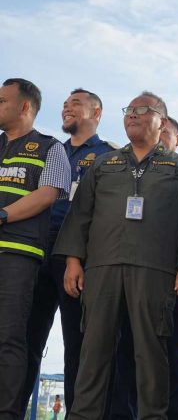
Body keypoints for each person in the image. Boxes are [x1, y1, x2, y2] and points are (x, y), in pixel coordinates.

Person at [54, 91, 178, 419]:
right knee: (93, 352)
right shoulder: (103, 164)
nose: (133, 115)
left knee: (151, 353)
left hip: (155, 272)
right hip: (102, 270)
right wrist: (72, 261)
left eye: (142, 109)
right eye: (129, 110)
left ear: (161, 122)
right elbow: (80, 216)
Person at [107, 115, 178, 420]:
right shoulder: (122, 171)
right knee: (124, 352)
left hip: (172, 280)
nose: (158, 134)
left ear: (177, 141)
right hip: (127, 276)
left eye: (165, 131)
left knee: (173, 355)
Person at [17, 88, 115, 416]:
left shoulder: (109, 156)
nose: (66, 108)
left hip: (80, 259)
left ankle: (78, 413)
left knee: (79, 344)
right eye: (64, 104)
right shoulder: (50, 150)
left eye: (76, 103)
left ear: (96, 112)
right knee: (24, 340)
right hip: (36, 252)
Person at [0, 78, 71, 419]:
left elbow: (48, 193)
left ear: (25, 106)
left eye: (2, 101)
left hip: (18, 255)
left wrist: (3, 215)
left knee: (9, 337)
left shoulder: (49, 148)